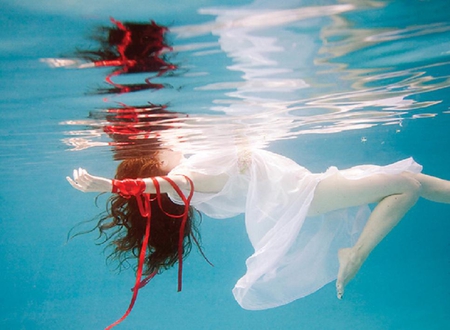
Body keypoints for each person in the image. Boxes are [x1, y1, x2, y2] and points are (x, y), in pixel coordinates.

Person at [67, 147, 450, 317]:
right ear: (155, 163)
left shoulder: (196, 159)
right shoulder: (186, 179)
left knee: (422, 182)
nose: (168, 141)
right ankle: (355, 254)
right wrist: (109, 185)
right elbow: (155, 186)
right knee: (406, 186)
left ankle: (357, 251)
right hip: (304, 195)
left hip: (310, 183)